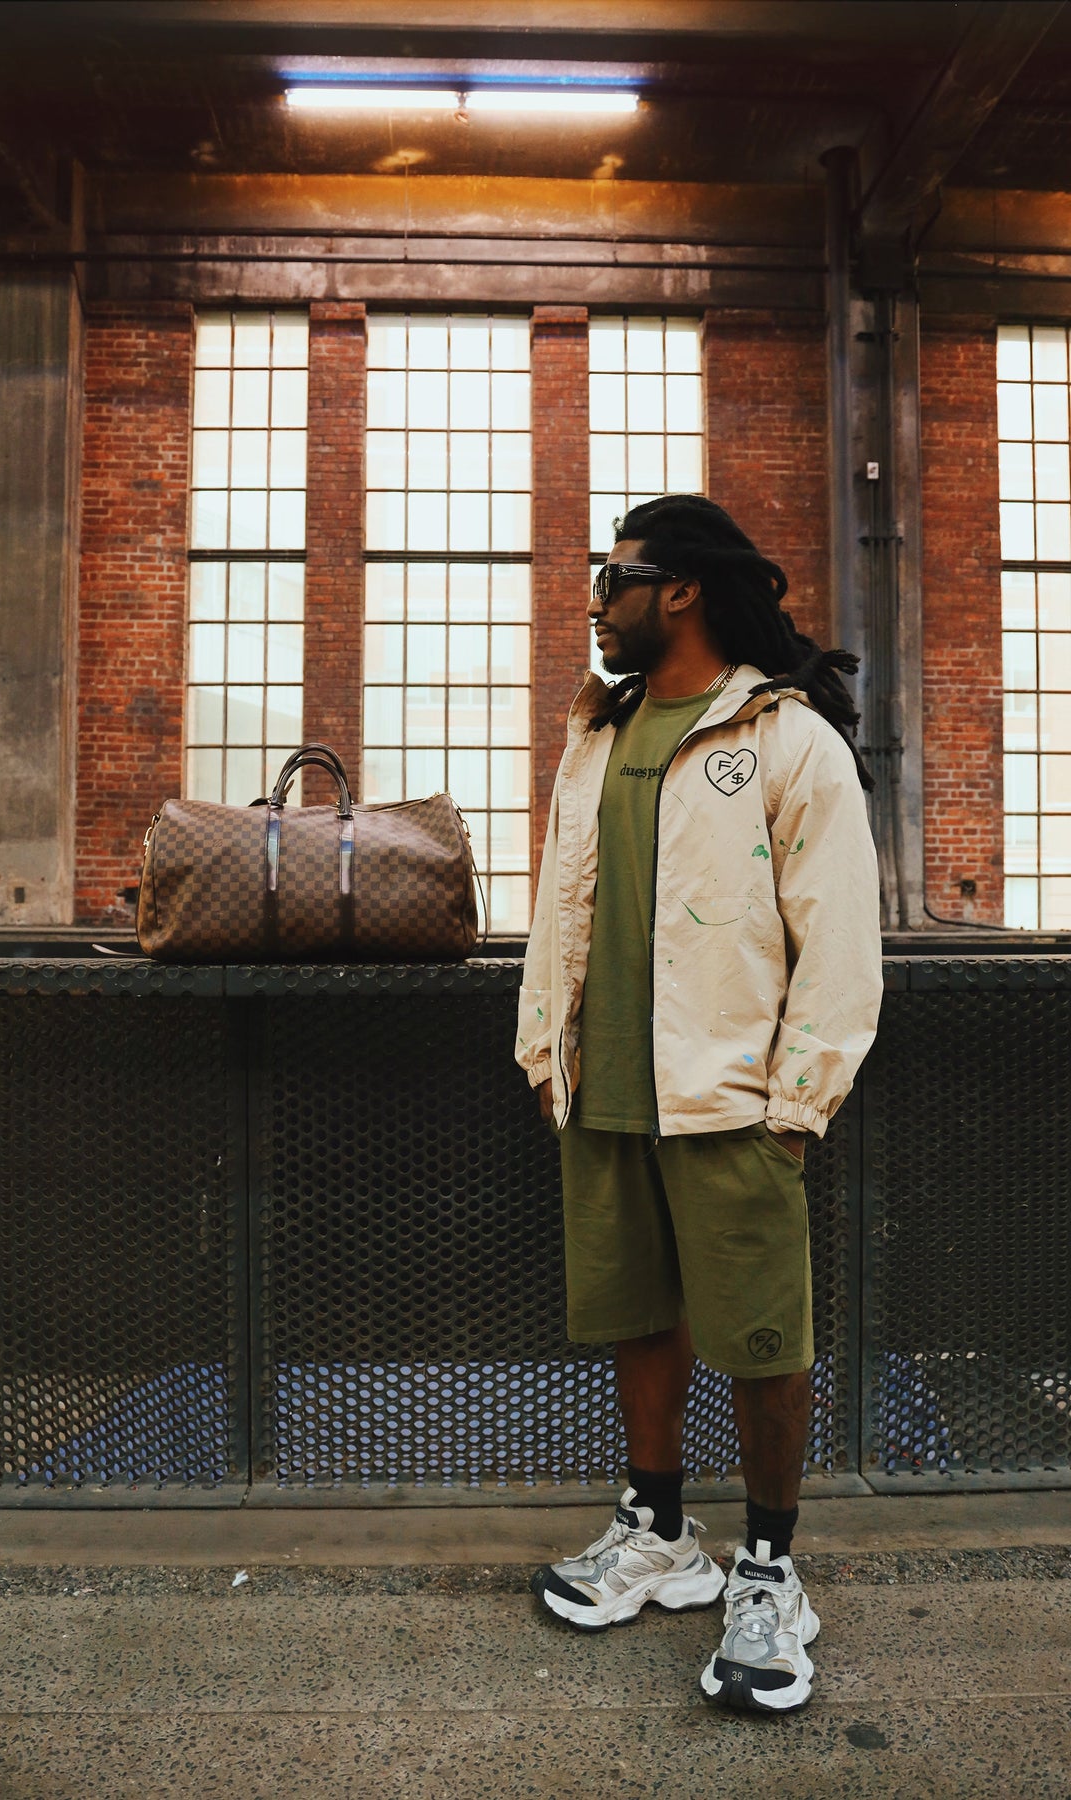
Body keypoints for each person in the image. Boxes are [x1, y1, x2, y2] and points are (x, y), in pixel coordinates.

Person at [515, 493, 882, 1713]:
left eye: (610, 578)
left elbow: (841, 938)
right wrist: (545, 1046)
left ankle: (770, 1570)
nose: (594, 602)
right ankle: (662, 1536)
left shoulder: (786, 738)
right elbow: (562, 899)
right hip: (607, 1087)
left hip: (731, 1097)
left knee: (765, 1339)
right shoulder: (599, 729)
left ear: (678, 590)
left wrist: (797, 1100)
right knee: (640, 1314)